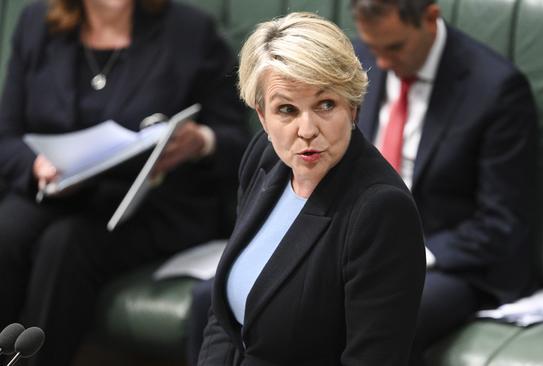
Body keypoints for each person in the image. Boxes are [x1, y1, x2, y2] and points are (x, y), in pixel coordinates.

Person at [0, 0, 249, 365]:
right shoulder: (38, 23)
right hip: (56, 191)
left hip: (154, 200)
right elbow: (6, 136)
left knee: (66, 244)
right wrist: (37, 166)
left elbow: (237, 140)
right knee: (6, 233)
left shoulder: (190, 31)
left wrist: (201, 142)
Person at [197, 12, 425, 366]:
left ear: (352, 106)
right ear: (262, 115)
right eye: (286, 110)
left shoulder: (381, 211)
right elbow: (223, 319)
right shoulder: (264, 156)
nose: (306, 129)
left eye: (325, 105)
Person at [351, 0, 538, 364]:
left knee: (377, 316)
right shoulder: (360, 60)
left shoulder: (496, 89)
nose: (382, 63)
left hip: (450, 262)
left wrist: (410, 255)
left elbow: (502, 222)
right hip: (359, 246)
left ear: (430, 18)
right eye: (374, 48)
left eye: (395, 47)